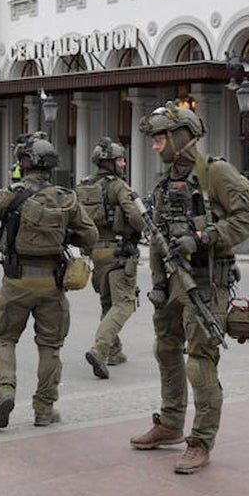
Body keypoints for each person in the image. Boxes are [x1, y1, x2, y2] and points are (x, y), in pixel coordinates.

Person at [130, 100, 249, 474]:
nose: (155, 146)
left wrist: (204, 237)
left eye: (160, 139)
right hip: (170, 285)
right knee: (166, 351)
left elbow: (245, 219)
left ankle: (200, 440)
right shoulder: (166, 181)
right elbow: (157, 237)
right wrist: (155, 284)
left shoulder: (216, 173)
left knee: (199, 364)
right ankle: (170, 423)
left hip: (205, 282)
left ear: (180, 138)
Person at [0, 132, 98, 429]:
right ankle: (44, 409)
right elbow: (90, 235)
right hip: (53, 285)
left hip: (15, 282)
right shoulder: (67, 198)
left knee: (5, 339)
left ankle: (5, 391)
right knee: (50, 347)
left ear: (24, 163)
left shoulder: (10, 194)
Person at [78, 137, 145, 379]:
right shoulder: (117, 186)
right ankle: (100, 349)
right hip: (119, 253)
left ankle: (115, 350)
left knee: (107, 303)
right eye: (120, 159)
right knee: (124, 304)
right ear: (109, 162)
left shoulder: (83, 186)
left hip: (95, 253)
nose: (124, 163)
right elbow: (137, 219)